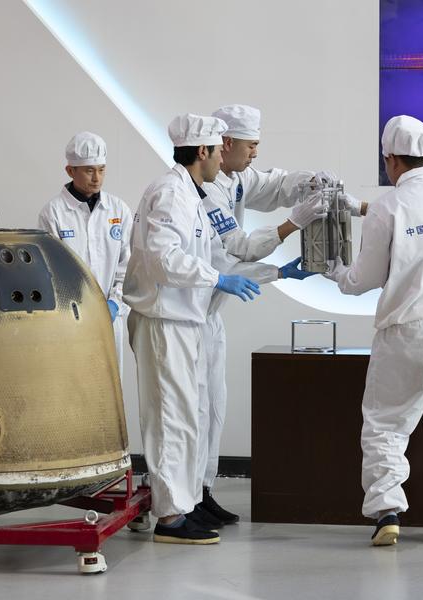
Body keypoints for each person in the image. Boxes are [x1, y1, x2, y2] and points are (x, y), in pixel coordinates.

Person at [125, 113, 302, 545]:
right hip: (164, 320)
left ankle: (183, 505)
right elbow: (164, 259)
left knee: (189, 418)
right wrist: (217, 279)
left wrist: (276, 272)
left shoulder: (194, 194)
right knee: (170, 419)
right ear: (202, 151)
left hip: (185, 319)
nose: (224, 158)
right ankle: (170, 518)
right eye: (219, 151)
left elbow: (219, 257)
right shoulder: (170, 194)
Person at [324, 115, 423, 546]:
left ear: (390, 160)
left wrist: (333, 270)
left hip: (411, 329)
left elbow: (363, 279)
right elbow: (421, 227)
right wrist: (365, 208)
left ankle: (387, 513)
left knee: (387, 423)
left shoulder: (388, 206)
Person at [197, 104, 347, 523]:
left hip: (209, 314)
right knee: (190, 413)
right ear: (225, 143)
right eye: (251, 145)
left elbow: (276, 184)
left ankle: (202, 491)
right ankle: (180, 502)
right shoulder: (204, 192)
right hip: (184, 317)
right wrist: (290, 227)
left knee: (213, 408)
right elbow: (238, 251)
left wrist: (309, 182)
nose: (255, 153)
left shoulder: (235, 178)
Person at [38, 132, 132, 375]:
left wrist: (115, 303)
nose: (97, 178)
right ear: (70, 171)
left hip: (111, 317)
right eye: (89, 171)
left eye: (101, 170)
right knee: (74, 383)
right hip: (70, 317)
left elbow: (128, 266)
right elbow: (49, 272)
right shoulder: (53, 213)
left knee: (110, 384)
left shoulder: (118, 210)